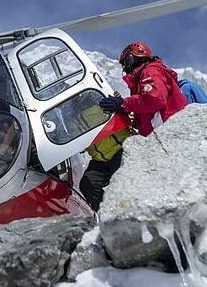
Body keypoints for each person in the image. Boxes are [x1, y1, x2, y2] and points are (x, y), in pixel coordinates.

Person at [78, 41, 188, 212]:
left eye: (126, 62)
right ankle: (109, 218)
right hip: (156, 139)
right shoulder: (140, 81)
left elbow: (155, 98)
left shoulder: (150, 71)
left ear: (136, 55)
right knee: (90, 184)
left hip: (167, 135)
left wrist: (123, 104)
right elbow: (145, 111)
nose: (125, 68)